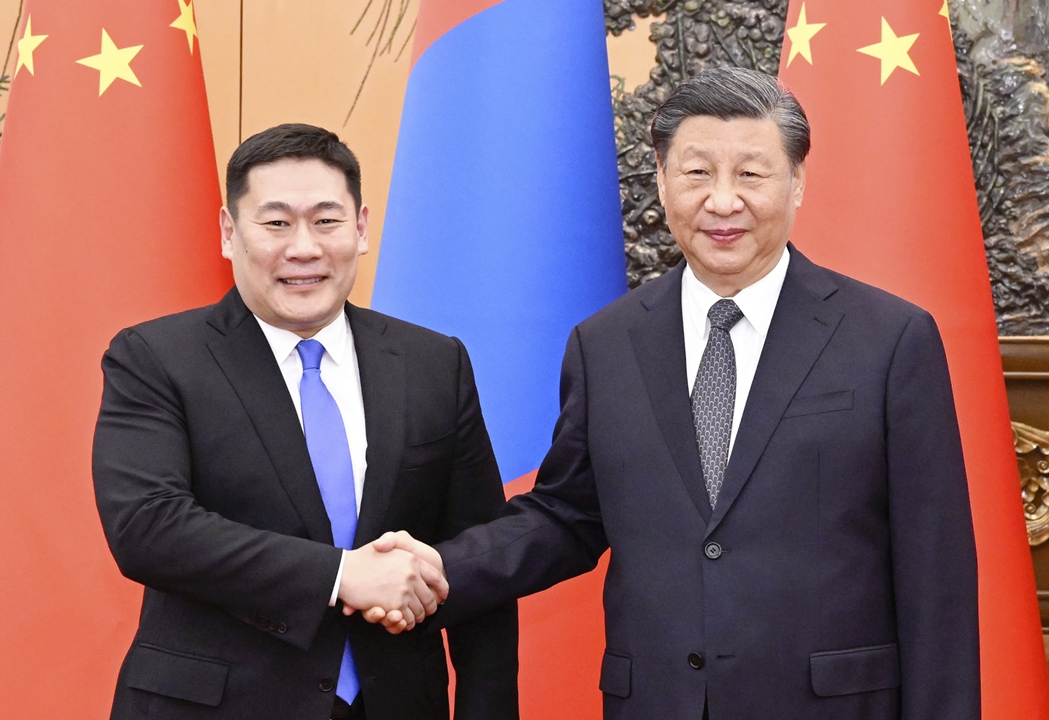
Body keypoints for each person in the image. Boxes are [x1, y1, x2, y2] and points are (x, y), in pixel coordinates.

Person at [372, 67, 981, 719]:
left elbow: (936, 576)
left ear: (797, 182)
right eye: (697, 174)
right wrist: (439, 566)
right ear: (662, 182)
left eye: (751, 174)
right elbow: (566, 518)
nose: (723, 202)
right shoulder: (605, 344)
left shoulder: (890, 339)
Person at [92, 123, 518, 720]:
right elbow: (148, 527)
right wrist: (341, 576)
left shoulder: (432, 362)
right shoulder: (156, 358)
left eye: (326, 220)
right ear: (228, 232)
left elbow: (479, 554)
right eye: (275, 223)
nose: (304, 248)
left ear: (362, 228)